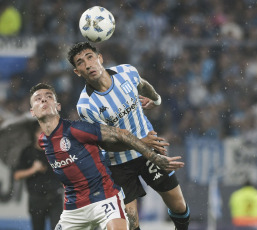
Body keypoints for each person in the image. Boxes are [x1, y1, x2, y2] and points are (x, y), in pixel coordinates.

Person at [67, 41, 190, 230]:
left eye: (90, 57)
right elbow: (106, 144)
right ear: (77, 72)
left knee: (179, 206)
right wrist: (140, 142)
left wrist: (156, 99)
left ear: (100, 58)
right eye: (80, 62)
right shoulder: (86, 106)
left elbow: (142, 84)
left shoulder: (126, 72)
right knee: (130, 224)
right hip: (118, 165)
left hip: (150, 149)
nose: (88, 64)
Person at [29, 83, 185, 230]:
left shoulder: (76, 130)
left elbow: (119, 134)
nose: (43, 99)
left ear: (58, 106)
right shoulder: (42, 141)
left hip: (104, 199)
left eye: (49, 96)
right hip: (73, 209)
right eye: (38, 98)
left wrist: (152, 154)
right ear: (32, 111)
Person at [14, 122, 63, 230]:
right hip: (36, 198)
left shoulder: (55, 150)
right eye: (41, 132)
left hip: (55, 196)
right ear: (35, 134)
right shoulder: (27, 152)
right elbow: (17, 175)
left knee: (58, 228)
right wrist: (33, 170)